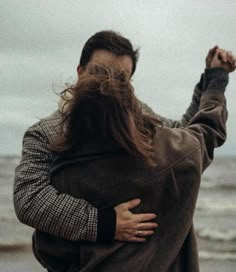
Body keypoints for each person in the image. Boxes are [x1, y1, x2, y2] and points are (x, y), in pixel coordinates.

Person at [13, 31, 228, 248]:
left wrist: (210, 78)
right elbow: (29, 198)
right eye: (99, 72)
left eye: (121, 77)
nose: (109, 84)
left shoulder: (140, 116)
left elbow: (182, 139)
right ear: (80, 72)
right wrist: (105, 222)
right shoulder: (46, 133)